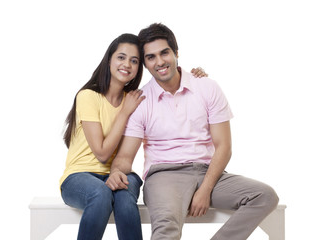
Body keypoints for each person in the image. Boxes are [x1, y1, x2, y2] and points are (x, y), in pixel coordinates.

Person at [106, 23, 279, 240]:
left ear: (176, 53)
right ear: (145, 64)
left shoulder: (206, 87)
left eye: (164, 53)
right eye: (151, 57)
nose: (159, 62)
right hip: (163, 176)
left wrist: (205, 189)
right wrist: (116, 172)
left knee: (264, 196)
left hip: (209, 173)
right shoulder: (140, 101)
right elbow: (124, 157)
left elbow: (224, 146)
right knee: (166, 227)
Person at [59, 33, 207, 240]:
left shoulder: (137, 99)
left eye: (134, 60)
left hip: (119, 172)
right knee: (101, 194)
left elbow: (170, 96)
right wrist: (125, 112)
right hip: (79, 177)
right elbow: (102, 154)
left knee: (125, 196)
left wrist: (195, 77)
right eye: (121, 57)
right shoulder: (88, 96)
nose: (127, 64)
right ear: (109, 59)